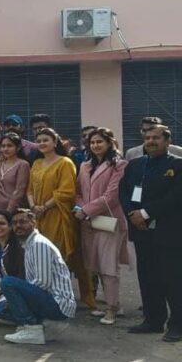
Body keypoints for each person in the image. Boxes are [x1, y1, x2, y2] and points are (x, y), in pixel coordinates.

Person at [119, 124, 182, 341]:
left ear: (167, 141)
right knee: (148, 278)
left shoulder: (177, 165)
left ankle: (177, 325)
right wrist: (132, 215)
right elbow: (123, 192)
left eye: (156, 138)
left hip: (168, 232)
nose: (151, 142)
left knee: (173, 279)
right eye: (147, 138)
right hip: (141, 231)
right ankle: (153, 320)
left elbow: (176, 196)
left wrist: (145, 213)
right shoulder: (135, 164)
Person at [28, 127, 96, 310]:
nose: (42, 143)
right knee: (41, 258)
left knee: (59, 256)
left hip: (58, 216)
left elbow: (66, 191)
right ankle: (46, 297)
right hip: (38, 218)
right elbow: (29, 189)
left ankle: (66, 298)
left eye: (46, 140)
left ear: (55, 142)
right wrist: (34, 206)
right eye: (39, 140)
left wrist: (45, 206)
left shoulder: (65, 163)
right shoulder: (36, 163)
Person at [75, 127, 129, 325]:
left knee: (109, 267)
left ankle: (112, 309)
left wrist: (86, 210)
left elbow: (112, 196)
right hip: (88, 223)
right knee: (96, 265)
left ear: (109, 143)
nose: (96, 145)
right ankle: (112, 303)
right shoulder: (84, 165)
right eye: (92, 142)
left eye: (100, 141)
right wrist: (82, 208)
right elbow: (78, 192)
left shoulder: (119, 165)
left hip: (109, 222)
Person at [0, 209, 76, 345]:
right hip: (46, 299)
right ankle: (47, 326)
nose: (18, 226)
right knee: (0, 309)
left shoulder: (39, 244)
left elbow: (43, 282)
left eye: (22, 222)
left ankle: (32, 329)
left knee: (7, 283)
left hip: (58, 303)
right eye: (14, 223)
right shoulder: (28, 244)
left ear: (33, 222)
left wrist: (21, 298)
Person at [0, 133, 29, 215]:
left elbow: (19, 191)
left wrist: (8, 212)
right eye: (3, 146)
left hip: (14, 210)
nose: (6, 149)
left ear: (18, 147)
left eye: (9, 146)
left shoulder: (22, 165)